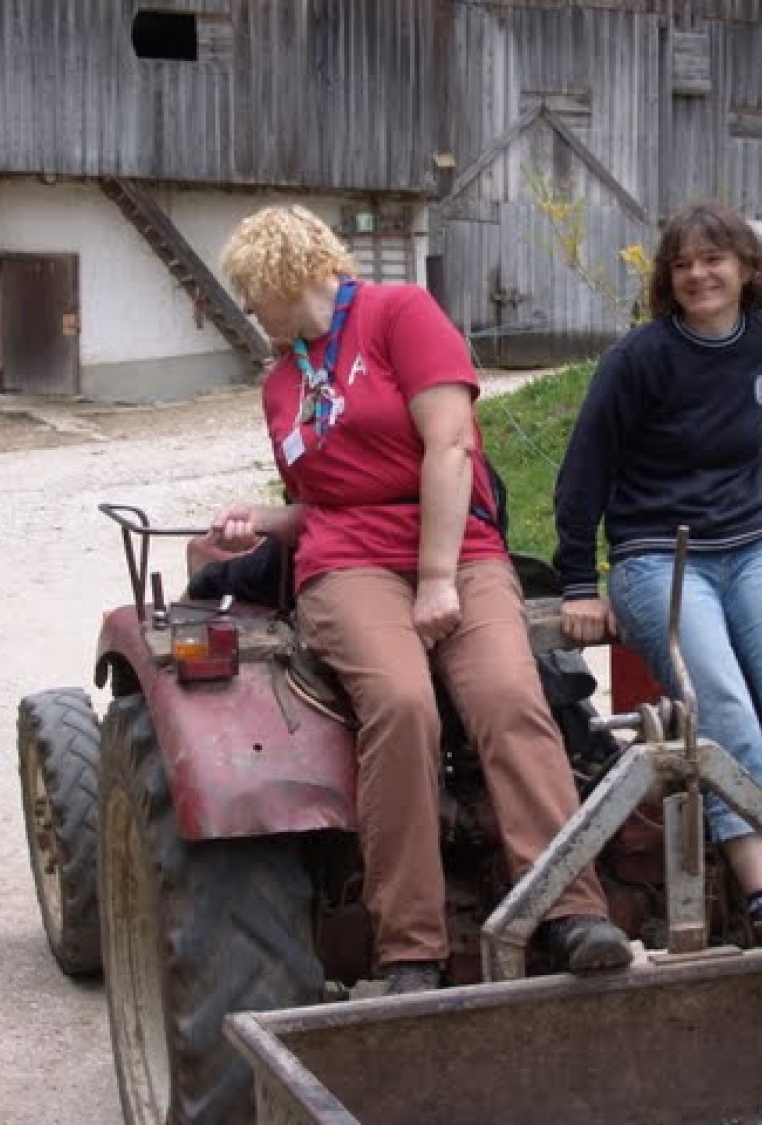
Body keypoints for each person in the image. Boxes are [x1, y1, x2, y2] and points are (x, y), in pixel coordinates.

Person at [211, 203, 631, 994]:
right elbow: (324, 507)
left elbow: (450, 443)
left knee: (510, 696)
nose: (250, 313)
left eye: (250, 295)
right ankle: (410, 948)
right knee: (402, 704)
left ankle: (570, 910)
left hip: (458, 549)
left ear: (281, 275)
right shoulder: (281, 384)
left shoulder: (398, 314)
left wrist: (438, 576)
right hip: (347, 566)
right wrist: (257, 520)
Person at [553, 201, 762, 945]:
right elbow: (582, 476)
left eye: (714, 259)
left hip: (754, 548)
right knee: (726, 714)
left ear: (745, 268)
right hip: (657, 561)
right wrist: (578, 580)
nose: (699, 274)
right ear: (669, 280)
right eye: (683, 264)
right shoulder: (639, 361)